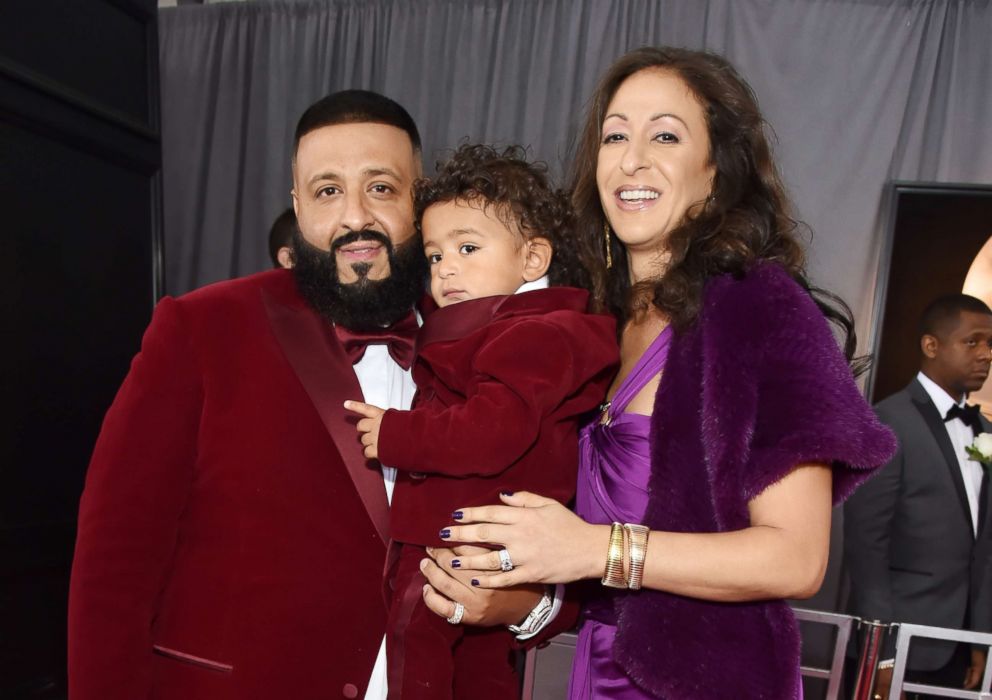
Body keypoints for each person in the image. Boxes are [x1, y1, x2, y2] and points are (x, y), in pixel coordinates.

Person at [418, 46, 898, 699]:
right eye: (615, 135)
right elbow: (575, 557)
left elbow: (796, 557)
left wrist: (597, 550)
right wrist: (521, 602)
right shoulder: (590, 320)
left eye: (665, 135)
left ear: (716, 171)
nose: (632, 158)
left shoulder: (759, 306)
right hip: (594, 674)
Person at [67, 90, 550, 700]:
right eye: (327, 191)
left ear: (419, 199)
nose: (354, 217)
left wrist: (526, 604)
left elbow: (546, 534)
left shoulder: (496, 343)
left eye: (380, 187)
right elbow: (113, 567)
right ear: (297, 206)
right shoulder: (201, 329)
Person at [345, 144, 619, 699]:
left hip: (459, 529)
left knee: (414, 641)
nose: (447, 268)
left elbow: (492, 431)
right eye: (435, 255)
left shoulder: (532, 334)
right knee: (479, 666)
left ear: (533, 260)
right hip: (478, 530)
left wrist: (398, 433)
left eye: (468, 248)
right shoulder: (489, 323)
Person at [845, 294, 992, 699]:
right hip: (900, 641)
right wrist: (882, 654)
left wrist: (980, 640)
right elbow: (866, 545)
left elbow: (984, 547)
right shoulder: (889, 421)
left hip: (959, 646)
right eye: (972, 342)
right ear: (931, 346)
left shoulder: (984, 429)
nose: (986, 355)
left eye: (991, 344)